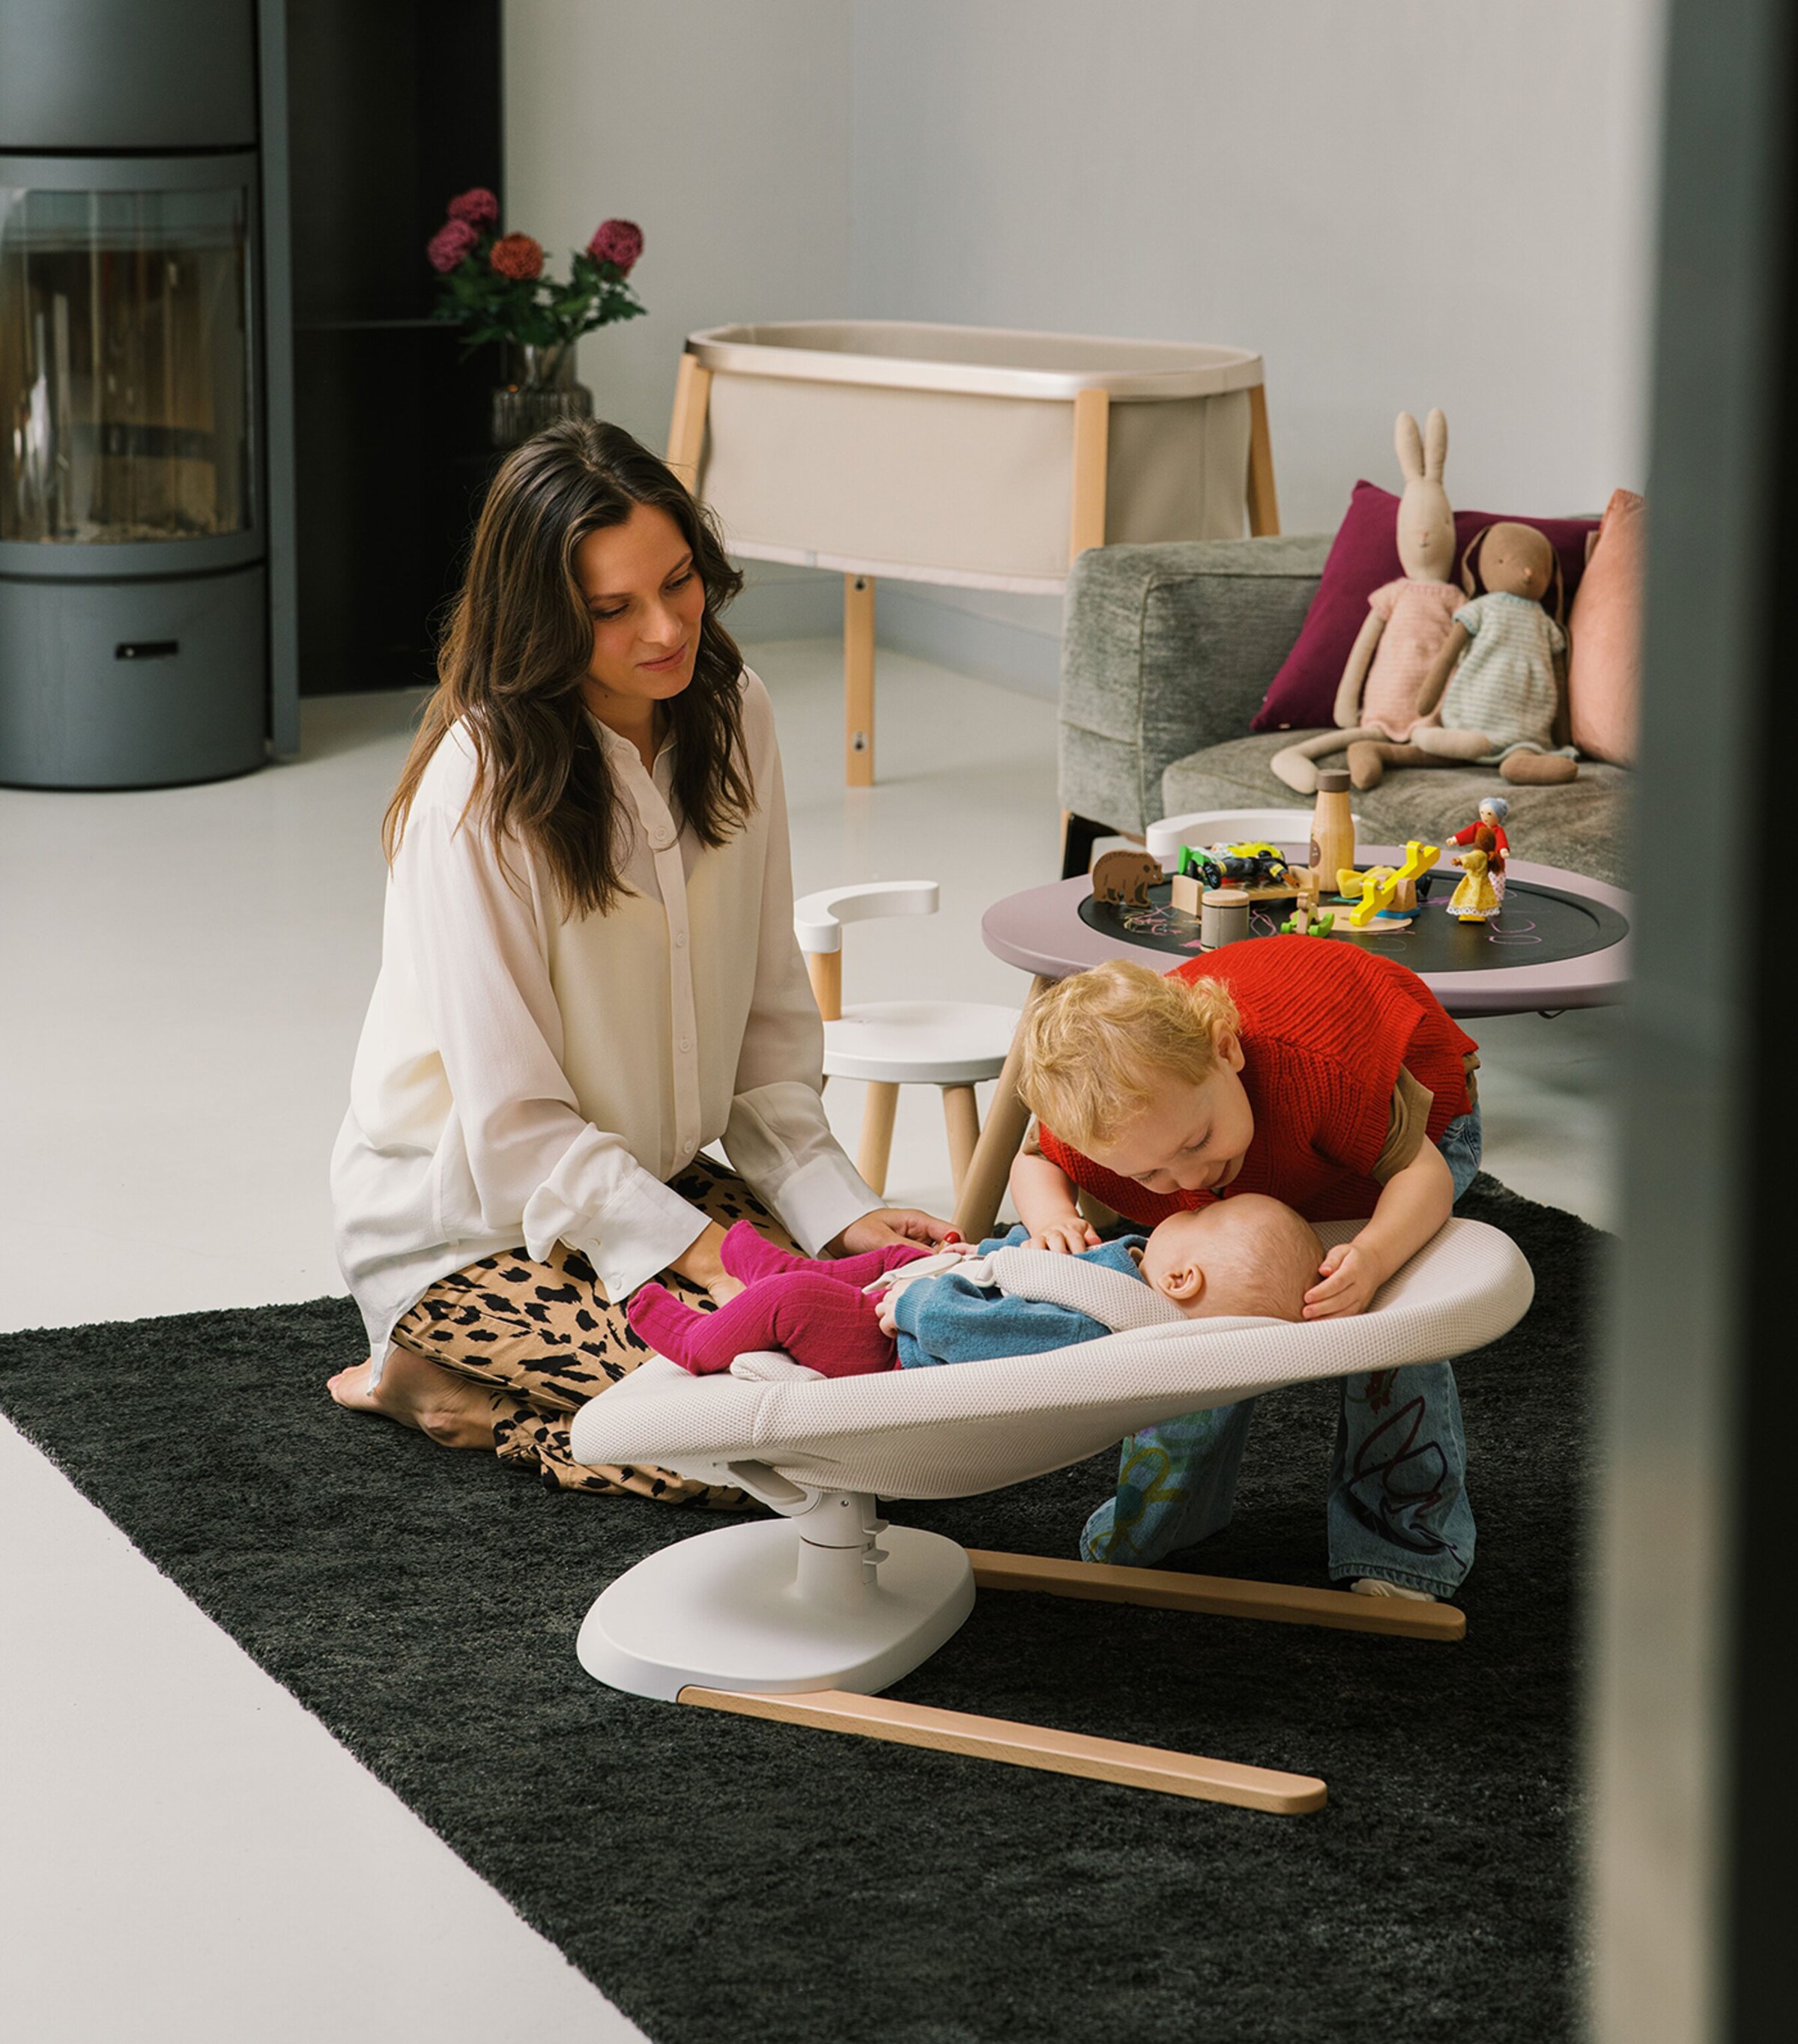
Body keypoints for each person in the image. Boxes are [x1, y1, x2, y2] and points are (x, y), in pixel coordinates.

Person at [327, 419, 953, 1499]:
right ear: (540, 620)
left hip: (640, 1186)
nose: (667, 629)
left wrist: (832, 1205)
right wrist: (720, 1258)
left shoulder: (732, 707)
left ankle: (489, 1374)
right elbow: (516, 1131)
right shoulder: (475, 796)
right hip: (472, 1225)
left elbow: (767, 1020)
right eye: (612, 611)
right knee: (757, 1444)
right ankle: (443, 1385)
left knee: (897, 1360)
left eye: (680, 581)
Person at [1009, 941, 1484, 1598]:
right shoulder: (1124, 1120)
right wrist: (1052, 1217)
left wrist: (1373, 1256)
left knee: (1388, 1327)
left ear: (1226, 1050)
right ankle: (1160, 1523)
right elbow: (1035, 1160)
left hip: (1397, 1144)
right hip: (1271, 1155)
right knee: (1184, 1324)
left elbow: (1419, 1172)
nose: (1189, 1178)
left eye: (1196, 1142)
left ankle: (1404, 1545)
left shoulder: (1323, 1070)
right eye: (1149, 1174)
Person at [625, 1196, 1322, 1378]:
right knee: (888, 1255)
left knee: (801, 1306)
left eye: (1199, 1217)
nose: (1182, 1208)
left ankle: (696, 1340)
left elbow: (987, 1333)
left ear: (1183, 1277)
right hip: (946, 1285)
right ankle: (772, 1266)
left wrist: (918, 1301)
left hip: (895, 1347)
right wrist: (991, 1249)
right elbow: (1023, 1272)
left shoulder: (1102, 1322)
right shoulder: (1127, 1269)